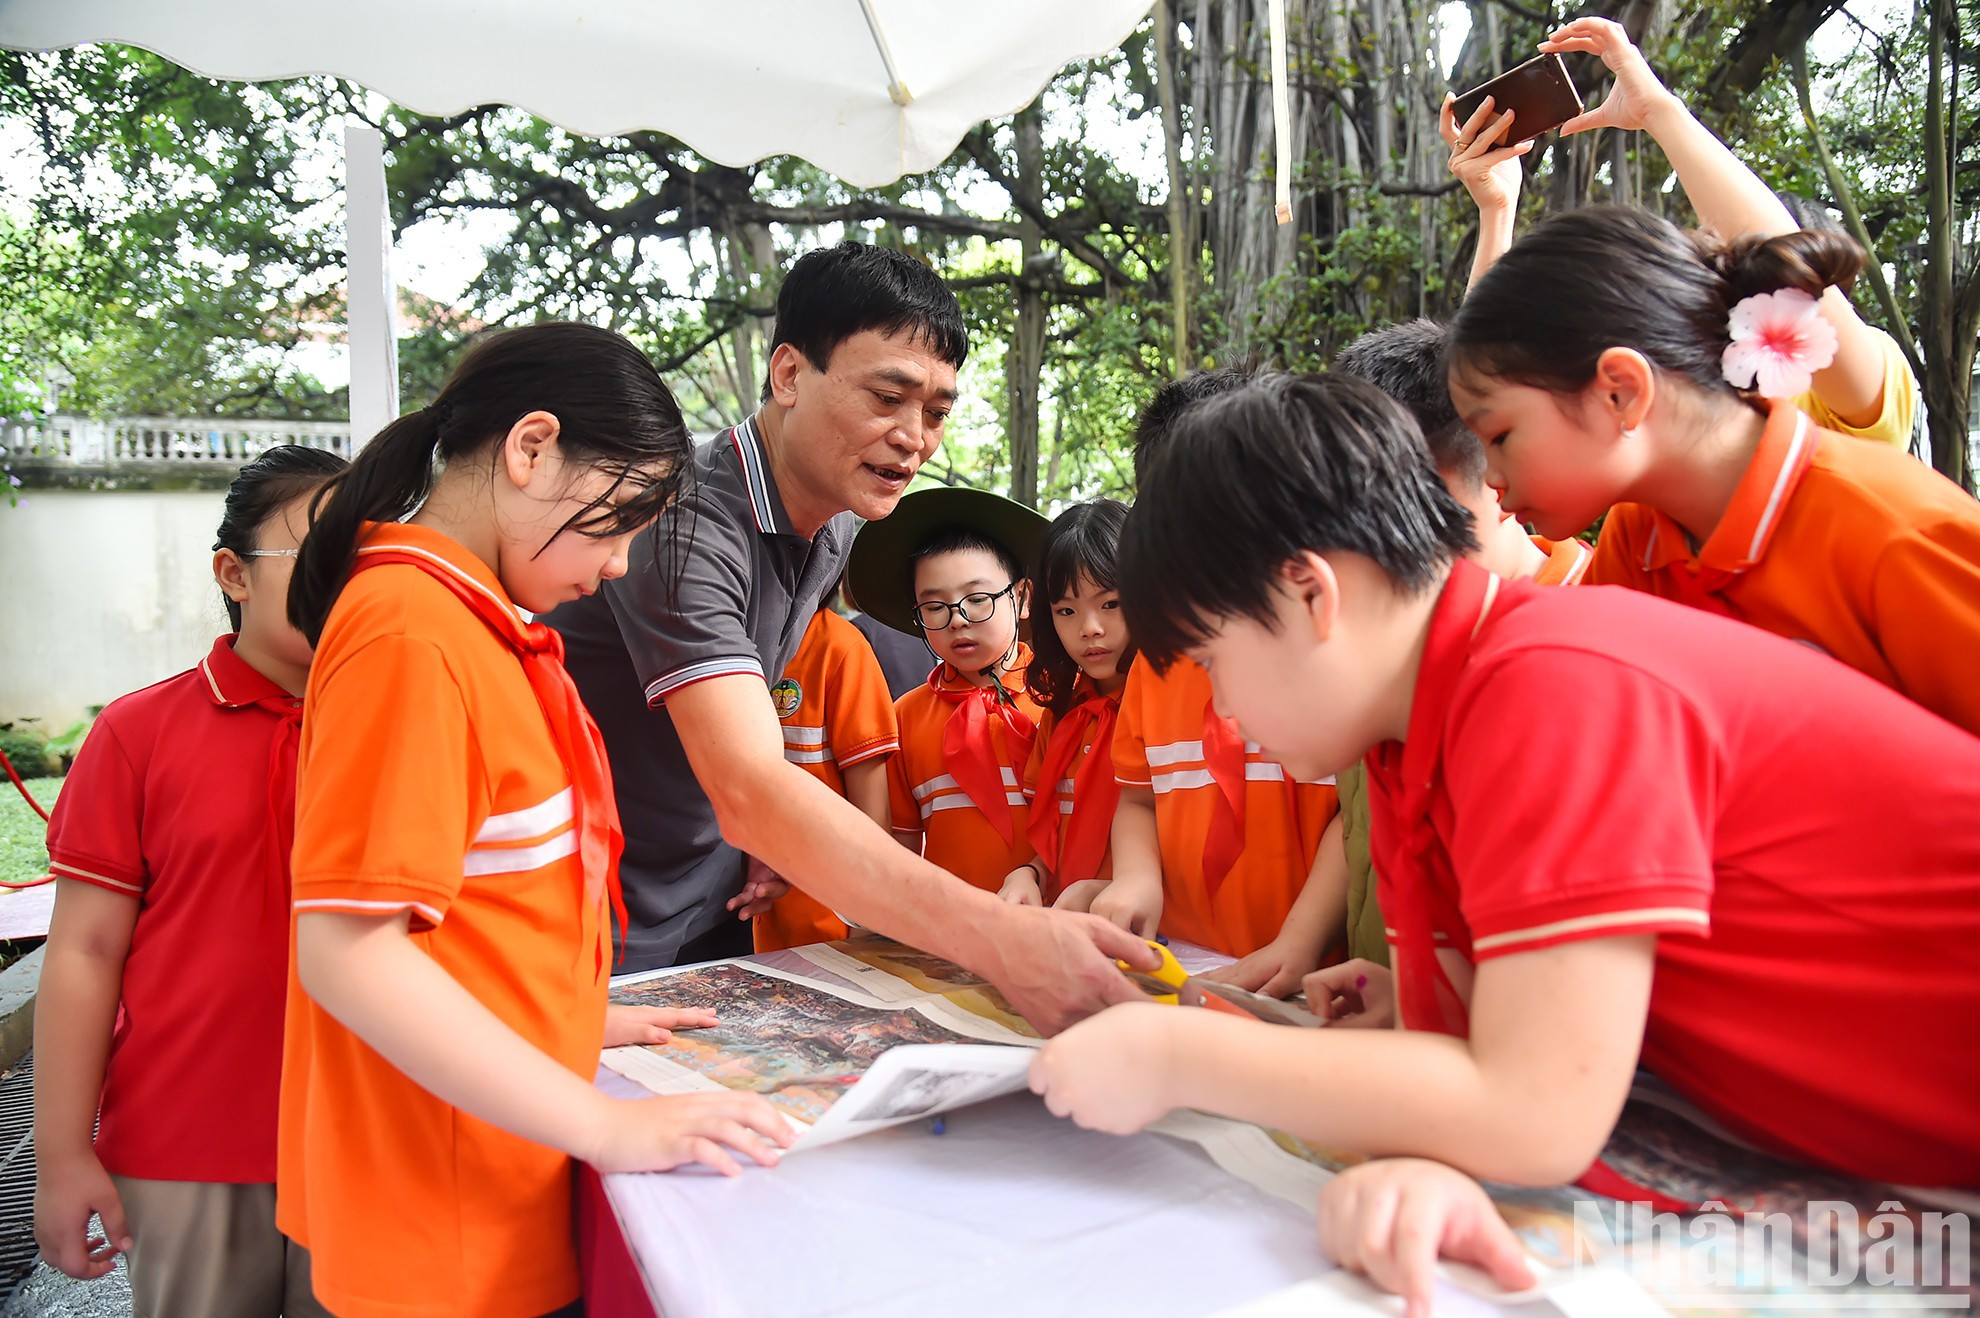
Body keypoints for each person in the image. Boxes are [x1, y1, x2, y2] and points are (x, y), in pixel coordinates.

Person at [1027, 373, 1980, 1216]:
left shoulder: (1550, 683)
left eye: (1213, 663)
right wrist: (1418, 1011)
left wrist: (1175, 1059)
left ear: (1313, 595)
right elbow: (1492, 1042)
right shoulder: (1409, 739)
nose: (1223, 709)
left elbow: (1533, 1112)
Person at [280, 323, 792, 1318]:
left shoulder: (481, 630)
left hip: (490, 1175)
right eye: (618, 521)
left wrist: (569, 1014)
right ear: (530, 448)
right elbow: (351, 955)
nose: (616, 568)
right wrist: (609, 1128)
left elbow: (476, 906)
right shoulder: (409, 636)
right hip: (440, 1215)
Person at [543, 241, 1151, 1027]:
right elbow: (750, 784)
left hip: (717, 893)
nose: (914, 437)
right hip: (598, 904)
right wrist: (1002, 938)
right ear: (789, 374)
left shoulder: (835, 529)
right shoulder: (684, 524)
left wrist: (771, 835)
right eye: (887, 397)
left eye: (936, 412)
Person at [1447, 205, 1980, 736]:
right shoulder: (1636, 543)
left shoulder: (1896, 533)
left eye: (1499, 437)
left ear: (1621, 391)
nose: (1490, 475)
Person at [34, 446, 346, 1316]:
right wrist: (61, 1152)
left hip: (364, 1138)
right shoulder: (140, 734)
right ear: (232, 574)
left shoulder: (394, 726)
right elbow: (85, 952)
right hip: (186, 1145)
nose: (346, 582)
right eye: (317, 556)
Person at [1444, 15, 1917, 446]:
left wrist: (1658, 112)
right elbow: (1492, 389)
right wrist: (1497, 213)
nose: (1713, 266)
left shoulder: (1853, 392)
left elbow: (1786, 263)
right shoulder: (1669, 399)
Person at [1102, 372, 1343, 964]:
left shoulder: (1331, 661)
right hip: (1184, 957)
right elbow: (1136, 798)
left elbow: (1357, 815)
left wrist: (1299, 943)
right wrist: (1135, 879)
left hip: (1311, 969)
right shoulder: (1152, 666)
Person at [845, 486, 1047, 894]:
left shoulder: (1067, 699)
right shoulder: (905, 717)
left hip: (1065, 926)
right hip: (951, 938)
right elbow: (901, 846)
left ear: (1022, 597)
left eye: (977, 598)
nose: (957, 619)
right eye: (934, 607)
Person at [999, 499, 1134, 908]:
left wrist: (1107, 889)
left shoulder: (1171, 711)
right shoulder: (1060, 715)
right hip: (1069, 936)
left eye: (1110, 604)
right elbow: (1058, 834)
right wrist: (1030, 874)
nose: (1089, 629)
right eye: (1067, 610)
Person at [752, 599, 899, 951]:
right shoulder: (735, 643)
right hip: (752, 916)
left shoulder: (839, 646)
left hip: (828, 929)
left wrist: (865, 922)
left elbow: (873, 819)